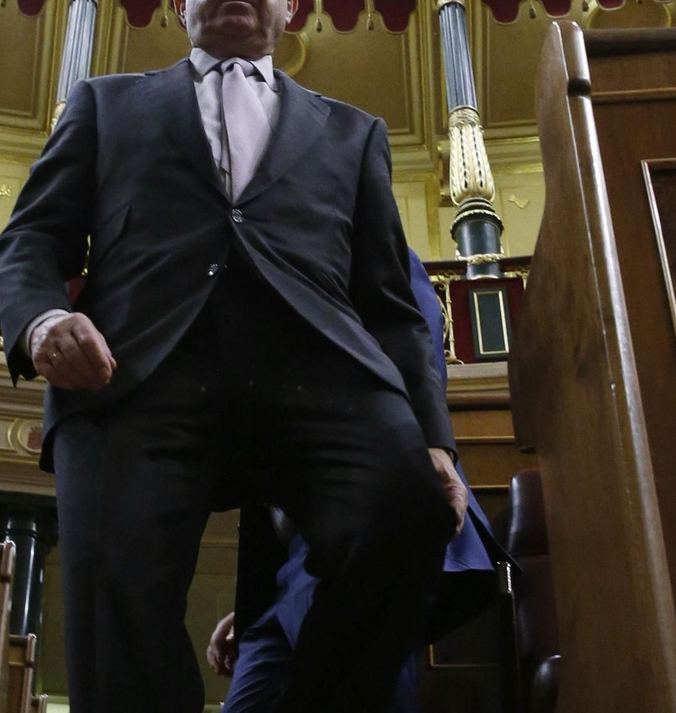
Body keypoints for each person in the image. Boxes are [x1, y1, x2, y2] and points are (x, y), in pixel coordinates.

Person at [0, 0, 468, 713]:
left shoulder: (354, 135)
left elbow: (390, 306)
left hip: (321, 382)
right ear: (182, 1)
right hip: (136, 377)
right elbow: (29, 239)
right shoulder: (106, 105)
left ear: (292, 3)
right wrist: (40, 323)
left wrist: (436, 439)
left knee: (410, 508)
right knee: (116, 606)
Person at [208, 249, 509, 713]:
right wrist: (260, 606)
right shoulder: (256, 267)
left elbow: (417, 344)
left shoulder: (364, 235)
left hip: (368, 524)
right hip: (289, 571)